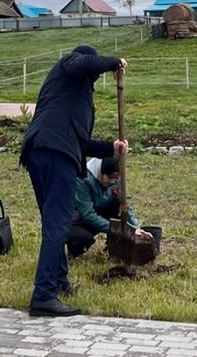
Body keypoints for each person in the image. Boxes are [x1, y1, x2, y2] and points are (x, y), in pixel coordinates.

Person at [19, 45, 128, 317]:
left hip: (43, 150)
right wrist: (114, 61)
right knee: (58, 223)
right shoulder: (70, 65)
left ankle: (59, 282)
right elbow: (80, 64)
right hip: (53, 153)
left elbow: (79, 142)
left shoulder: (69, 94)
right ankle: (43, 296)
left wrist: (110, 149)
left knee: (54, 222)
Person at [69, 156, 152, 257]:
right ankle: (74, 252)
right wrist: (121, 230)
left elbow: (124, 205)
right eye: (110, 177)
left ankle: (115, 247)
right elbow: (87, 214)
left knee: (117, 206)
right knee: (81, 238)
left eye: (115, 178)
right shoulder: (82, 180)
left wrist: (136, 228)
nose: (112, 181)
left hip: (99, 211)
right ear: (101, 173)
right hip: (77, 218)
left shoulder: (115, 179)